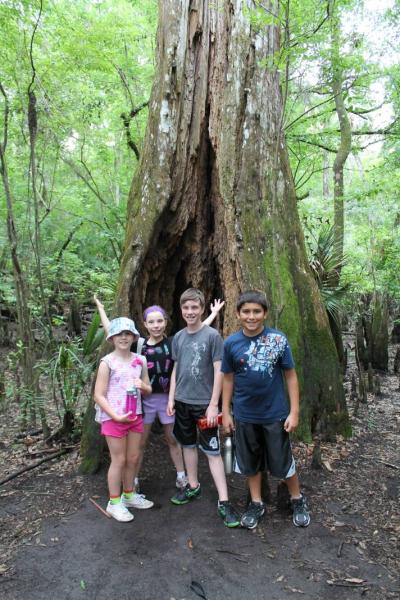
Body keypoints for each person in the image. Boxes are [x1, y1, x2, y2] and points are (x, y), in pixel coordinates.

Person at [93, 295, 224, 492]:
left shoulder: (174, 342)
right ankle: (133, 480)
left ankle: (182, 475)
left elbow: (197, 331)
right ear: (145, 325)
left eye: (160, 321)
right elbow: (113, 330)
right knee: (141, 441)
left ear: (165, 322)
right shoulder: (139, 345)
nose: (156, 325)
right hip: (142, 401)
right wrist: (101, 309)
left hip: (167, 399)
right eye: (151, 322)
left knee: (172, 439)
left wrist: (213, 314)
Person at [221, 290, 310, 529]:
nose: (251, 316)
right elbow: (227, 379)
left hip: (275, 414)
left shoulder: (278, 340)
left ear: (265, 313)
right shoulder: (231, 343)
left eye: (256, 311)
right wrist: (226, 412)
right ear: (238, 314)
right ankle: (257, 503)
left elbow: (290, 376)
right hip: (245, 414)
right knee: (250, 462)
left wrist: (294, 412)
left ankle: (297, 499)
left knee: (282, 461)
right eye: (246, 311)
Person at [167, 288, 241, 528]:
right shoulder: (178, 337)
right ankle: (193, 486)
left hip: (204, 405)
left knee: (212, 451)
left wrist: (213, 405)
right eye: (186, 308)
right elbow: (176, 369)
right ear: (181, 310)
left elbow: (220, 370)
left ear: (201, 308)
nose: (190, 312)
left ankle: (224, 500)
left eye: (194, 308)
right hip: (182, 401)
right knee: (187, 445)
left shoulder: (212, 336)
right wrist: (171, 398)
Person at [94, 317, 154, 522]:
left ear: (134, 337)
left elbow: (148, 389)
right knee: (118, 460)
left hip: (135, 415)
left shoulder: (140, 360)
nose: (124, 337)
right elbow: (98, 395)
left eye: (128, 333)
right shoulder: (107, 362)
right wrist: (115, 416)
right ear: (111, 338)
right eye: (119, 334)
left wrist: (143, 386)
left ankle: (129, 495)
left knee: (133, 458)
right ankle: (114, 502)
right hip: (114, 417)